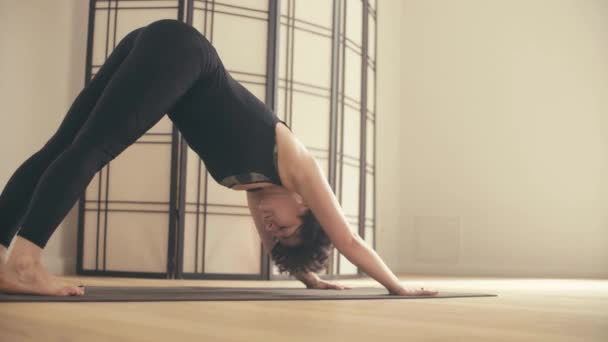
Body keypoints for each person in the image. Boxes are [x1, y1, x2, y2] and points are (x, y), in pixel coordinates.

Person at [0, 19, 438, 297]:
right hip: (182, 52)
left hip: (159, 43)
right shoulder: (299, 166)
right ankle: (25, 261)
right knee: (91, 149)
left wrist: (307, 274)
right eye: (282, 226)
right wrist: (397, 286)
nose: (270, 227)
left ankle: (4, 257)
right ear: (307, 206)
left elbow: (278, 243)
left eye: (274, 235)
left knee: (61, 149)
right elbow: (349, 241)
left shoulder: (256, 190)